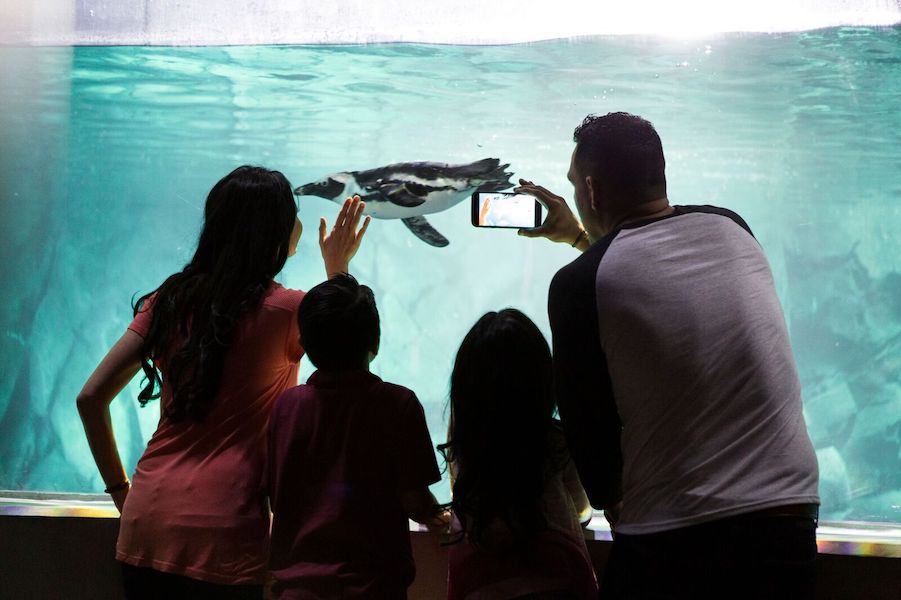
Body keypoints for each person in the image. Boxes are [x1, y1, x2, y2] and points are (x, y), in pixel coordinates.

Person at [515, 112, 820, 599]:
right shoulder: (732, 227)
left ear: (591, 192)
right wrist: (580, 238)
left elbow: (587, 434)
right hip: (789, 521)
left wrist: (619, 512)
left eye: (574, 184)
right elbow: (658, 273)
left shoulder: (576, 286)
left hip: (673, 539)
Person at [76, 165, 370, 599]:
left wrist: (122, 491)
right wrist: (338, 271)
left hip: (147, 521)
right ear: (276, 232)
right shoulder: (289, 312)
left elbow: (90, 398)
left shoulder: (168, 300)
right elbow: (348, 354)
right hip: (227, 531)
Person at [265, 273, 445, 599]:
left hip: (295, 590)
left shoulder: (286, 406)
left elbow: (277, 497)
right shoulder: (397, 404)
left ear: (303, 345)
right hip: (372, 588)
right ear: (375, 340)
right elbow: (416, 502)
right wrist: (441, 516)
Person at [439, 308, 598, 600]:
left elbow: (456, 487)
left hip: (478, 575)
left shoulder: (465, 438)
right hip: (557, 573)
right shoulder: (557, 439)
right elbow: (581, 508)